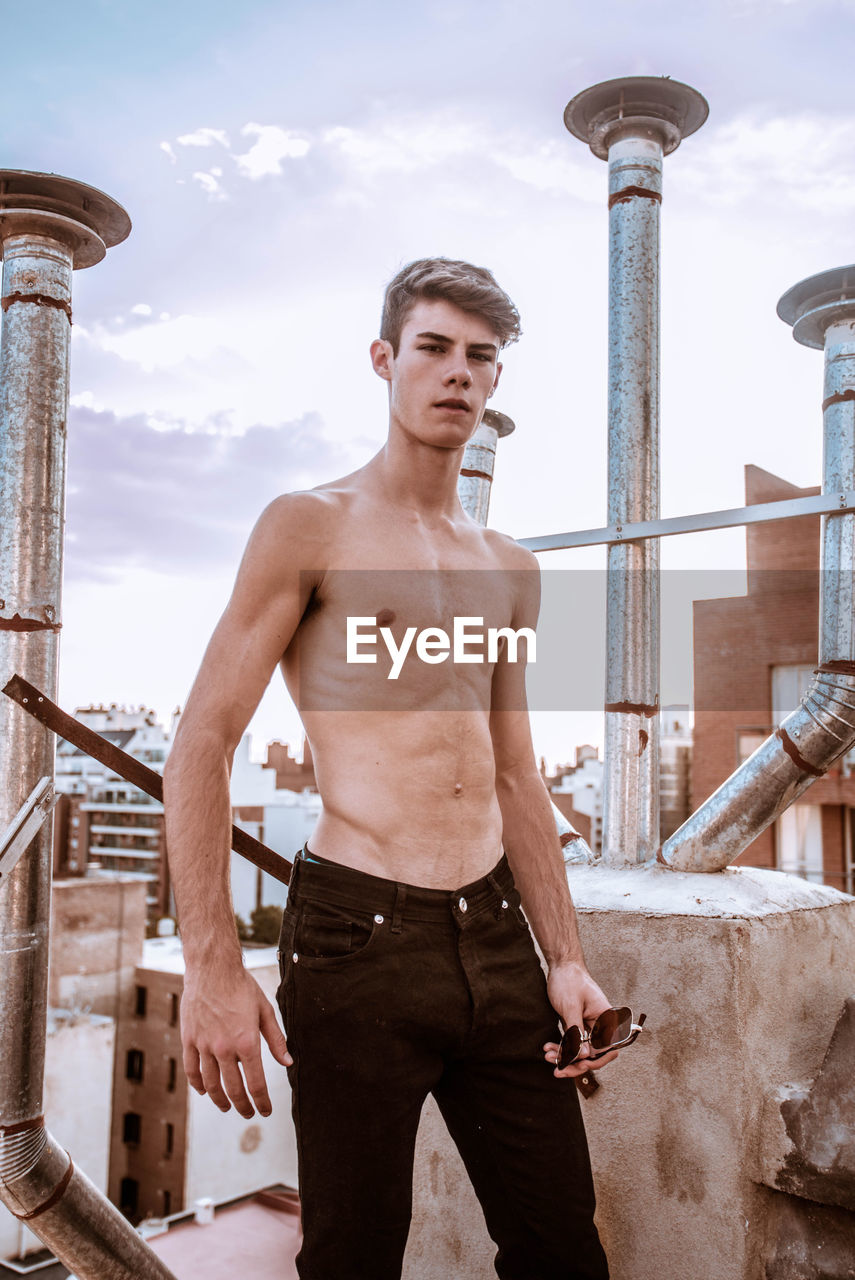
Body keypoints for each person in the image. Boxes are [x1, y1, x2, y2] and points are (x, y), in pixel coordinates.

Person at [163, 258, 616, 1279]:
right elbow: (202, 741)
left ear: (497, 380)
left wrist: (567, 958)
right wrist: (211, 961)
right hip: (358, 938)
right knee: (354, 1255)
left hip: (498, 942)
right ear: (385, 359)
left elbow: (515, 777)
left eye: (482, 356)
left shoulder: (511, 567)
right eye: (435, 347)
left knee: (561, 1248)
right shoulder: (309, 524)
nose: (459, 373)